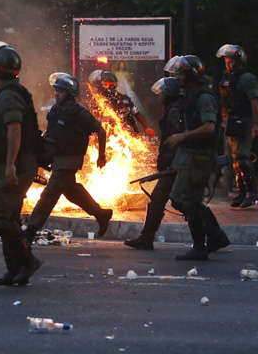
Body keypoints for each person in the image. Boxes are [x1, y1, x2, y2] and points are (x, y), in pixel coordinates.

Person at [0, 41, 42, 286]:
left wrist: (10, 165)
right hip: (13, 166)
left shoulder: (9, 95)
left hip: (16, 168)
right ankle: (14, 271)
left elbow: (15, 129)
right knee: (9, 218)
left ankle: (27, 261)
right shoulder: (9, 92)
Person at [23, 75, 113, 244]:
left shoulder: (80, 113)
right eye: (56, 90)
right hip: (57, 157)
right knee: (71, 191)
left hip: (70, 159)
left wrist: (101, 156)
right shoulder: (56, 110)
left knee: (49, 194)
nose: (57, 94)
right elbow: (50, 133)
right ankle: (101, 214)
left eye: (61, 91)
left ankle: (30, 231)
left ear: (71, 93)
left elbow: (101, 131)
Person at [164, 55, 230, 260]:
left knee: (191, 203)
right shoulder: (189, 97)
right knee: (177, 201)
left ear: (192, 75)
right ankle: (215, 234)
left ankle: (200, 247)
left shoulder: (204, 98)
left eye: (182, 73)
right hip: (186, 156)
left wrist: (182, 136)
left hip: (199, 157)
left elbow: (209, 127)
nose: (178, 77)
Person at [124, 77, 184, 250]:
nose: (159, 97)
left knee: (184, 203)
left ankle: (213, 235)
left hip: (175, 166)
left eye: (161, 93)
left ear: (169, 94)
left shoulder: (175, 113)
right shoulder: (172, 111)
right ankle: (146, 237)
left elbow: (180, 140)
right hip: (170, 165)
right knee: (158, 200)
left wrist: (175, 164)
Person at [216, 44, 258, 208]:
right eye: (226, 61)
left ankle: (252, 192)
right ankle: (242, 193)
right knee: (236, 159)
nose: (228, 64)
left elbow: (254, 101)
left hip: (245, 121)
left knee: (242, 157)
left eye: (231, 60)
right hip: (231, 121)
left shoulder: (247, 78)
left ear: (239, 60)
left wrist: (256, 124)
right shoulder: (228, 77)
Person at [87, 69, 155, 138]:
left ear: (102, 85)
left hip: (116, 138)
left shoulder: (100, 102)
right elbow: (137, 113)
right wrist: (146, 127)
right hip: (131, 136)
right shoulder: (125, 97)